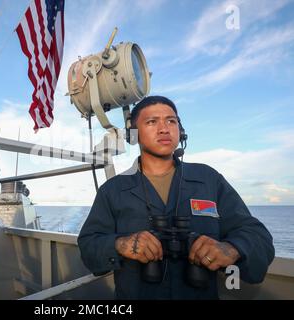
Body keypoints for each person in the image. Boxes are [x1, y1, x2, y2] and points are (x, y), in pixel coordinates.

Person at [77, 96, 275, 299]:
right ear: (134, 135)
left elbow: (258, 236)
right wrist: (120, 244)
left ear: (180, 131)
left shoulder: (208, 179)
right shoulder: (113, 190)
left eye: (171, 121)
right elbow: (88, 245)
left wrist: (232, 248)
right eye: (152, 122)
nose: (164, 129)